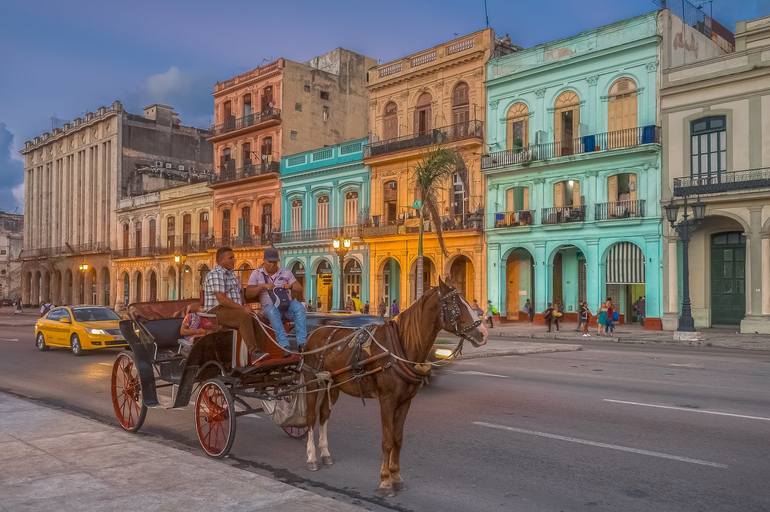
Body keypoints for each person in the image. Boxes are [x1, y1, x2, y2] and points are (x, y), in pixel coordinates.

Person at [204, 246, 269, 364]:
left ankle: (261, 353)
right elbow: (222, 299)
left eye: (233, 257)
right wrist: (243, 308)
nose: (234, 260)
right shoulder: (216, 274)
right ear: (221, 260)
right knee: (243, 316)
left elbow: (240, 296)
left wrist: (247, 307)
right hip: (216, 311)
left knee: (259, 319)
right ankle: (253, 352)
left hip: (232, 310)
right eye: (231, 258)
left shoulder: (232, 275)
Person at [246, 248, 307, 352]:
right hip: (268, 308)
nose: (273, 265)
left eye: (275, 262)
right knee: (272, 311)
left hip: (286, 306)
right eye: (270, 262)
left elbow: (299, 288)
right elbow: (248, 293)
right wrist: (262, 286)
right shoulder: (256, 273)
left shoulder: (286, 272)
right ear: (264, 261)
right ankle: (284, 345)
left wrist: (290, 286)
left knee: (299, 307)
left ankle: (302, 343)